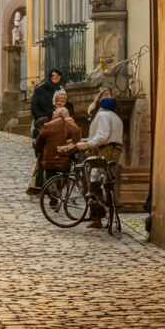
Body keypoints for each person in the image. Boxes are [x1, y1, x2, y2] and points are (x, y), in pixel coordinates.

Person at [73, 96, 124, 230]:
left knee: (94, 181)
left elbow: (102, 137)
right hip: (115, 151)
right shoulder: (116, 117)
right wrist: (86, 141)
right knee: (107, 182)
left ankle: (98, 215)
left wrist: (86, 145)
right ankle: (108, 209)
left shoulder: (103, 115)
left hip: (104, 151)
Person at [26, 89, 69, 195]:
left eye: (63, 100)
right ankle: (41, 187)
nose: (60, 102)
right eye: (58, 100)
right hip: (50, 145)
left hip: (62, 146)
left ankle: (53, 190)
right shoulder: (50, 111)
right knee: (44, 168)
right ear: (54, 101)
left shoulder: (68, 112)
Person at [34, 106, 81, 183]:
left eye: (54, 112)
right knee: (63, 180)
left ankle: (52, 191)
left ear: (57, 114)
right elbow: (77, 141)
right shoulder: (72, 125)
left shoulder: (48, 125)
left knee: (50, 178)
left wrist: (38, 150)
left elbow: (40, 142)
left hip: (50, 160)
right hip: (65, 160)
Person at [28, 68, 64, 134]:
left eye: (57, 76)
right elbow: (34, 107)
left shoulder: (60, 89)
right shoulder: (40, 89)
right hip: (42, 120)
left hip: (57, 119)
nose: (55, 78)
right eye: (53, 76)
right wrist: (42, 118)